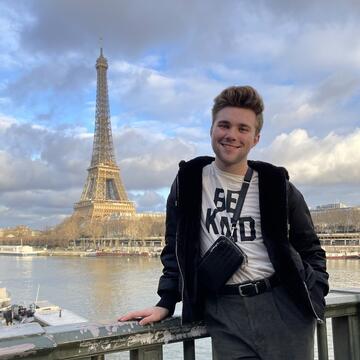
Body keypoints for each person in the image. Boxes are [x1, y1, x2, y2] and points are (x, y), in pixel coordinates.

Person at [120, 86, 329, 360]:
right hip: (225, 310)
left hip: (283, 306)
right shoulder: (189, 181)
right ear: (211, 130)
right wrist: (166, 302)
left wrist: (316, 289)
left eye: (243, 129)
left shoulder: (277, 185)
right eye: (224, 125)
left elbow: (310, 247)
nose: (232, 135)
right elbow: (174, 248)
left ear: (255, 138)